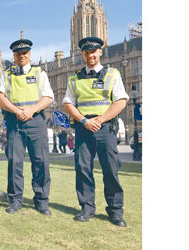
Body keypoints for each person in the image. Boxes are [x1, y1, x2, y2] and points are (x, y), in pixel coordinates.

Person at [63, 37, 129, 227]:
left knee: (110, 168)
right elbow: (68, 103)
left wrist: (99, 120)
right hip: (83, 127)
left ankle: (115, 211)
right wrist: (84, 120)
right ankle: (87, 208)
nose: (90, 55)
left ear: (100, 52)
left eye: (94, 51)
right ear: (82, 54)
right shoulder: (74, 78)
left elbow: (121, 101)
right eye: (86, 52)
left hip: (105, 126)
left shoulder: (112, 74)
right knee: (83, 169)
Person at [0, 39, 54, 215]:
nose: (22, 56)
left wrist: (32, 110)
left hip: (36, 120)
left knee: (41, 161)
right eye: (18, 54)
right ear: (14, 56)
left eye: (25, 53)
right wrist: (16, 111)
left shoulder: (39, 73)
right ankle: (15, 199)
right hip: (14, 122)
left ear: (29, 54)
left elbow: (48, 97)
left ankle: (41, 200)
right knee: (15, 162)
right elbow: (0, 97)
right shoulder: (7, 75)